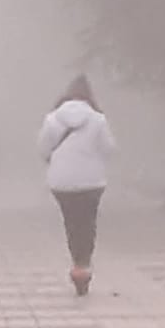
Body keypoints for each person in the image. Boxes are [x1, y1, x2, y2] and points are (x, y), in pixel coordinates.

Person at [37, 75, 116, 296]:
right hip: (91, 181)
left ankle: (76, 263)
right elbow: (109, 149)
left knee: (71, 221)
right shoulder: (98, 119)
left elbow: (43, 148)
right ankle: (83, 265)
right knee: (88, 223)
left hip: (61, 181)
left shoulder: (53, 119)